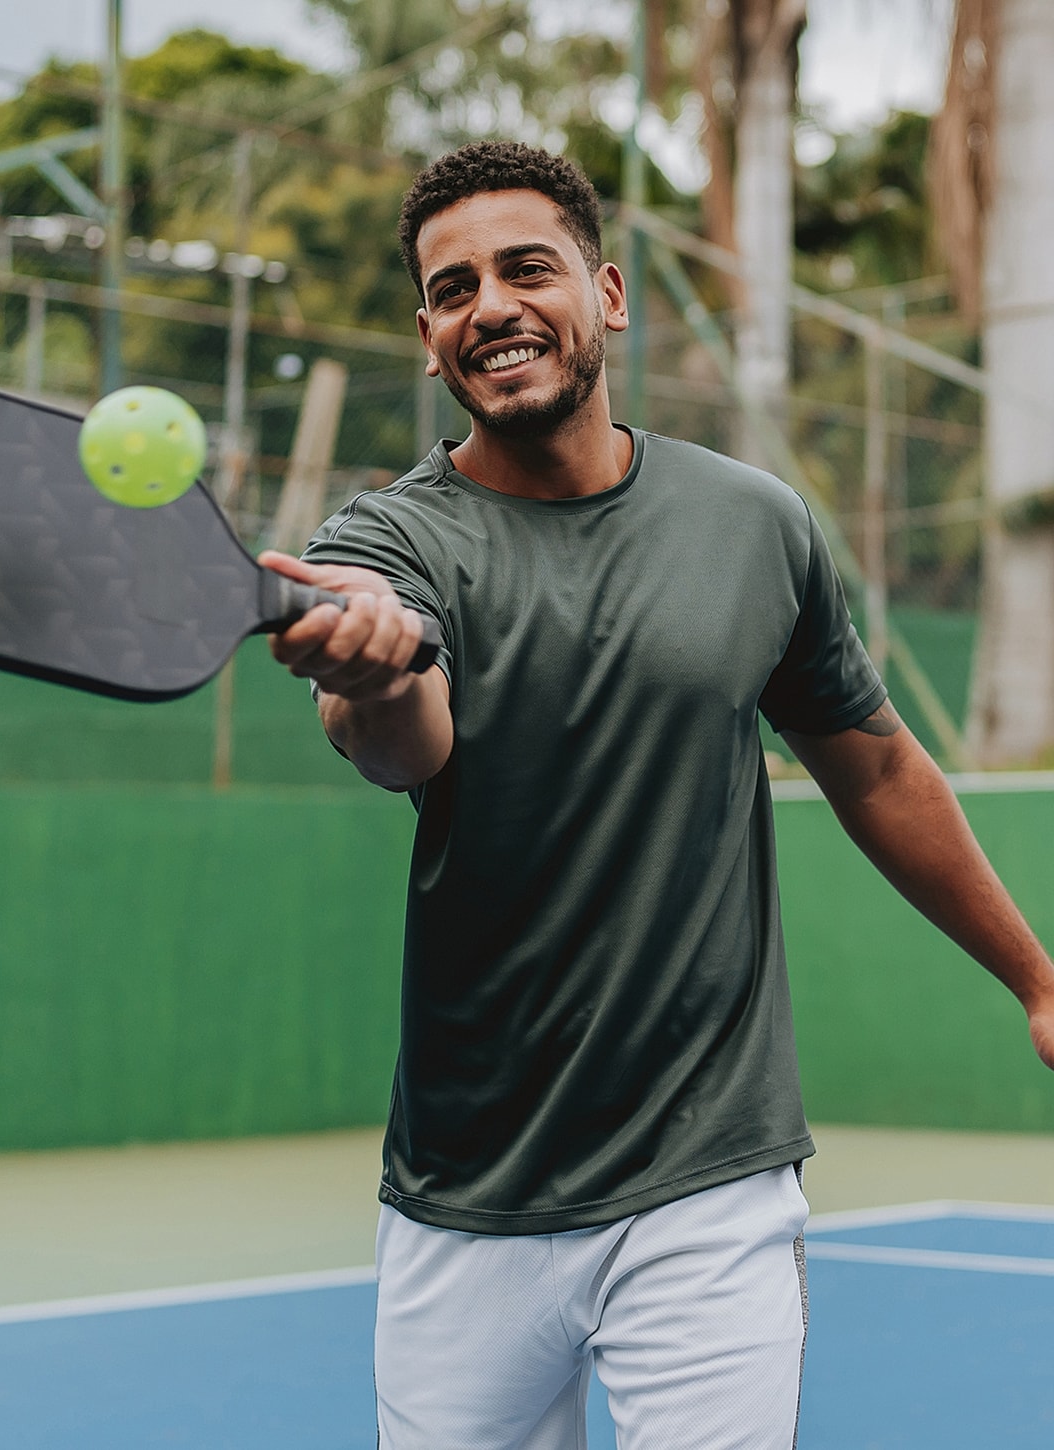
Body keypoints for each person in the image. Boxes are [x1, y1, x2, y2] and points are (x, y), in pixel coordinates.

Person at [258, 141, 1054, 1449]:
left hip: (711, 1181)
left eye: (529, 269)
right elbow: (399, 741)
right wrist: (380, 666)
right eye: (454, 289)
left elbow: (878, 764)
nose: (494, 307)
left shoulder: (758, 526)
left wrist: (1037, 977)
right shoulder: (385, 545)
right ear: (427, 339)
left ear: (608, 295)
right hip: (468, 1197)